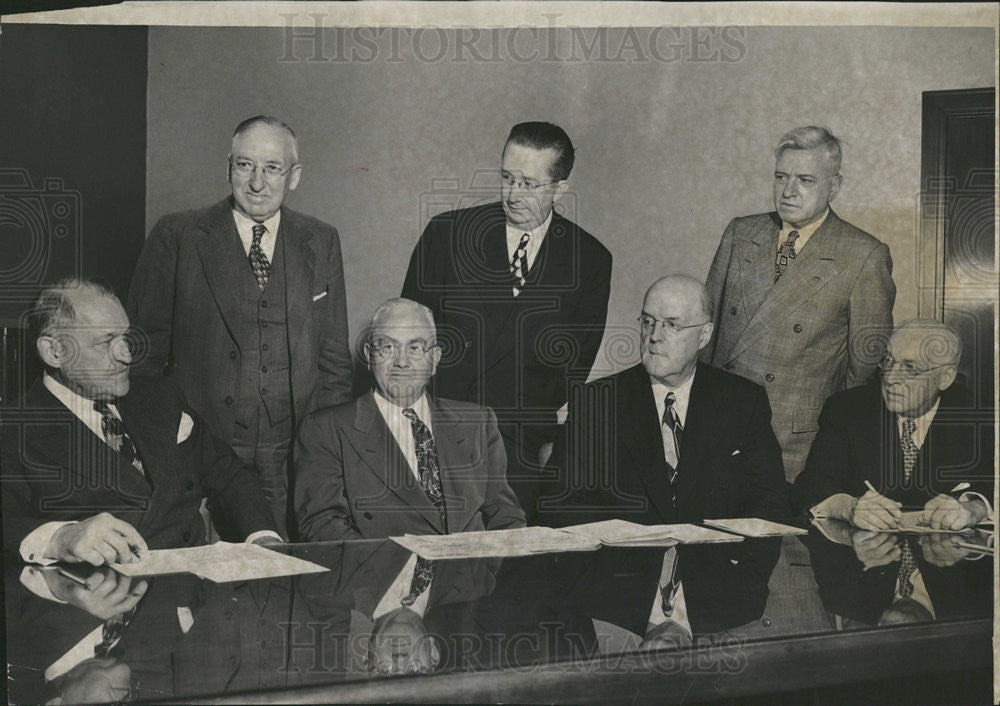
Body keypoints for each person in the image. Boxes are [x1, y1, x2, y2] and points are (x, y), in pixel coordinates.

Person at [127, 115, 352, 537]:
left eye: (272, 168)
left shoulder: (321, 240)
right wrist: (169, 446)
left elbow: (334, 360)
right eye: (245, 165)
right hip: (202, 453)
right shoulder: (178, 235)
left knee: (283, 578)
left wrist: (322, 453)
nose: (257, 183)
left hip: (289, 459)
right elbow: (142, 356)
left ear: (295, 176)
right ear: (227, 166)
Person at [540, 275, 788, 641]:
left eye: (671, 325)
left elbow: (770, 502)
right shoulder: (597, 402)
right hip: (615, 606)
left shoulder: (741, 402)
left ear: (704, 336)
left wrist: (746, 577)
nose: (654, 336)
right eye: (648, 321)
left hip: (720, 601)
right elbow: (557, 506)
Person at [401, 121, 612, 521]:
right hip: (435, 437)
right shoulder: (447, 234)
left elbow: (571, 371)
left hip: (518, 453)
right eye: (507, 178)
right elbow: (406, 344)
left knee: (508, 571)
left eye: (529, 184)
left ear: (560, 188)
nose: (513, 194)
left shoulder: (590, 261)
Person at [1, 279, 280, 567]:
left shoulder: (160, 396)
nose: (126, 355)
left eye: (125, 338)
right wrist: (60, 538)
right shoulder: (12, 431)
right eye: (106, 341)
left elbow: (229, 475)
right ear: (54, 351)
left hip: (192, 594)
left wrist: (262, 537)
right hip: (99, 603)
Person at [703, 126, 896, 481]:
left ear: (833, 187)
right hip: (719, 433)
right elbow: (706, 334)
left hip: (795, 447)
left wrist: (836, 446)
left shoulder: (863, 255)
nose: (788, 191)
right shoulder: (741, 233)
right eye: (781, 177)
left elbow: (862, 371)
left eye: (805, 180)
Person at [294, 298, 526, 542]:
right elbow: (323, 527)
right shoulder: (325, 430)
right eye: (388, 347)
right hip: (385, 576)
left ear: (435, 359)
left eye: (415, 348)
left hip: (472, 574)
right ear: (369, 354)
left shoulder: (477, 423)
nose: (401, 362)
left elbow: (506, 516)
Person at [792, 319, 993, 531]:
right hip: (866, 557)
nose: (890, 378)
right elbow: (810, 486)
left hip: (946, 560)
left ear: (945, 378)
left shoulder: (982, 418)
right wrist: (847, 507)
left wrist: (975, 508)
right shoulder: (847, 409)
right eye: (888, 361)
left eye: (910, 368)